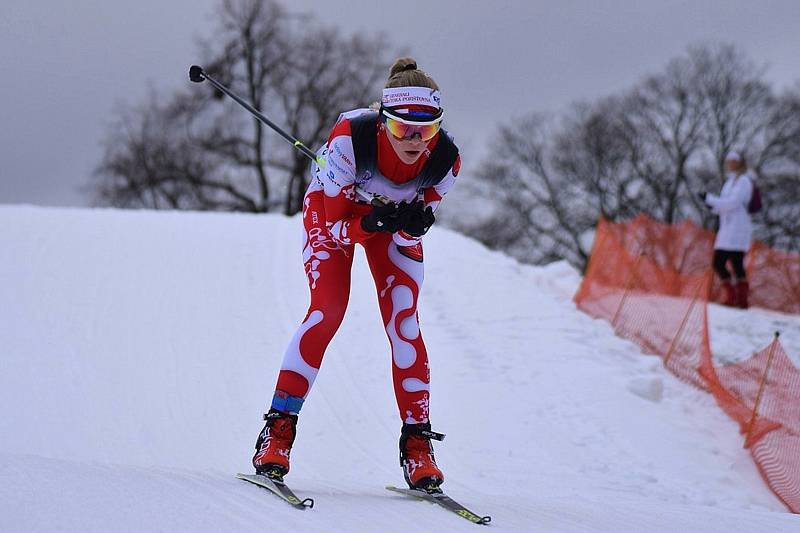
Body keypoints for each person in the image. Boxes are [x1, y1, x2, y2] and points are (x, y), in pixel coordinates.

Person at [250, 57, 461, 493]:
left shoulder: (445, 161)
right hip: (338, 216)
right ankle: (278, 431)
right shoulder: (351, 140)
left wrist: (410, 225)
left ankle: (418, 446)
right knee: (327, 311)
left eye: (428, 128)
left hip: (387, 227)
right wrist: (375, 223)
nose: (416, 140)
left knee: (404, 323)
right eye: (404, 129)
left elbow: (408, 237)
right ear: (384, 122)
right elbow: (334, 227)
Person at [700, 150, 754, 309]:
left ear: (740, 162)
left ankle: (741, 300)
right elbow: (723, 204)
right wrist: (711, 205)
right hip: (726, 229)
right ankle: (731, 296)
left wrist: (710, 199)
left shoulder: (744, 181)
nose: (731, 164)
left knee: (737, 263)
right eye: (729, 161)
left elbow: (733, 203)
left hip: (738, 229)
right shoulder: (729, 182)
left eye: (733, 161)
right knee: (718, 263)